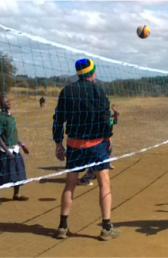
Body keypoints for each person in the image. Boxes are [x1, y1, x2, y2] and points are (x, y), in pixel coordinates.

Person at [52, 58, 120, 241]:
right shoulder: (98, 90)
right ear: (93, 73)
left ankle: (62, 227)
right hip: (96, 144)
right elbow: (105, 119)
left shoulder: (67, 90)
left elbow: (58, 119)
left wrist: (58, 143)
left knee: (70, 185)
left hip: (74, 144)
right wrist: (108, 138)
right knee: (104, 184)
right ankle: (106, 228)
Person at [0, 95, 30, 205]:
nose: (9, 103)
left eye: (9, 101)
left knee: (18, 171)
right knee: (1, 172)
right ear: (0, 105)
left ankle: (16, 194)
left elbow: (13, 134)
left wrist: (22, 145)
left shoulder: (11, 117)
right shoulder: (0, 118)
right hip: (4, 151)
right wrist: (7, 151)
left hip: (15, 149)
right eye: (6, 102)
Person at [78, 103, 119, 186]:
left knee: (106, 154)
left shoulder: (108, 118)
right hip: (100, 141)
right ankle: (85, 179)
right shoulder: (100, 118)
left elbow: (114, 121)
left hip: (105, 141)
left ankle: (95, 173)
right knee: (97, 161)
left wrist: (116, 113)